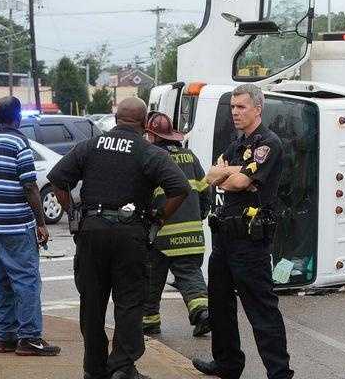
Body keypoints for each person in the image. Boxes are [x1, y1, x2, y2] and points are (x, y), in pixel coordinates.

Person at [48, 97, 191, 379]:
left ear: (115, 118)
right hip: (130, 235)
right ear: (144, 122)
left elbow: (57, 179)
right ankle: (123, 367)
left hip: (91, 233)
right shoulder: (148, 152)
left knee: (92, 304)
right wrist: (159, 217)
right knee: (129, 302)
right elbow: (180, 188)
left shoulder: (90, 146)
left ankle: (94, 369)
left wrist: (73, 213)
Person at [192, 84, 294, 379]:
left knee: (261, 310)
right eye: (233, 107)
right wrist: (233, 172)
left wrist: (231, 174)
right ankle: (227, 364)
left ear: (257, 109)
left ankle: (279, 372)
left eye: (241, 107)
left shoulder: (268, 143)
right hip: (224, 238)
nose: (235, 112)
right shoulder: (237, 144)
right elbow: (211, 175)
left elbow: (236, 183)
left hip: (251, 240)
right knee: (219, 304)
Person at [0, 97, 60, 356]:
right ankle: (30, 338)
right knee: (26, 281)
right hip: (15, 225)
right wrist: (41, 222)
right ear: (17, 116)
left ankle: (5, 337)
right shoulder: (19, 143)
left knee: (1, 282)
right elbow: (30, 186)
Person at [142, 111, 212, 338]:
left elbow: (143, 194)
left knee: (152, 277)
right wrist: (199, 215)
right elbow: (204, 190)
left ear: (152, 136)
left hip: (161, 234)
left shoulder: (151, 156)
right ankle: (202, 314)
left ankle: (149, 321)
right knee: (190, 275)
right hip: (192, 233)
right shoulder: (189, 156)